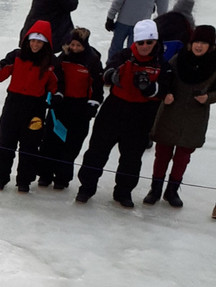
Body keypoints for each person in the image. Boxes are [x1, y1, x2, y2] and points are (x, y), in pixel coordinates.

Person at [76, 19, 173, 206]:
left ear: (155, 42)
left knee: (132, 157)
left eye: (149, 42)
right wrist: (112, 75)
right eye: (141, 42)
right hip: (114, 109)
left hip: (141, 114)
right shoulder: (123, 55)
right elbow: (106, 72)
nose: (144, 46)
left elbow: (165, 89)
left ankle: (123, 192)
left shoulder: (162, 63)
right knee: (97, 151)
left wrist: (149, 88)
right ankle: (86, 188)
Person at [143, 24, 216, 206]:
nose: (199, 46)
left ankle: (172, 190)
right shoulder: (178, 59)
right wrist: (165, 93)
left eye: (204, 43)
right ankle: (156, 189)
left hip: (194, 118)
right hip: (170, 113)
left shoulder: (214, 66)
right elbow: (164, 78)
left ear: (211, 46)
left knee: (183, 156)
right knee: (162, 153)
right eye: (196, 41)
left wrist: (208, 97)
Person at [0, 20, 60, 192]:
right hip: (13, 105)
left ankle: (24, 181)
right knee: (6, 142)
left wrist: (57, 97)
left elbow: (57, 86)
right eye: (33, 40)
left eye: (39, 41)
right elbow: (0, 76)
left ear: (46, 43)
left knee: (30, 146)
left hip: (35, 109)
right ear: (27, 40)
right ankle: (1, 176)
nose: (35, 44)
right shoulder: (16, 56)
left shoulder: (51, 62)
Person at [37, 28, 105, 190]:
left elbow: (98, 88)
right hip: (60, 106)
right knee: (50, 142)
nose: (74, 48)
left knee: (71, 146)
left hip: (80, 109)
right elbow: (55, 78)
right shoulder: (63, 57)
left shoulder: (92, 60)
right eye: (72, 45)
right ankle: (45, 175)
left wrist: (92, 105)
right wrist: (56, 95)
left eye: (78, 45)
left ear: (84, 46)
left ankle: (62, 178)